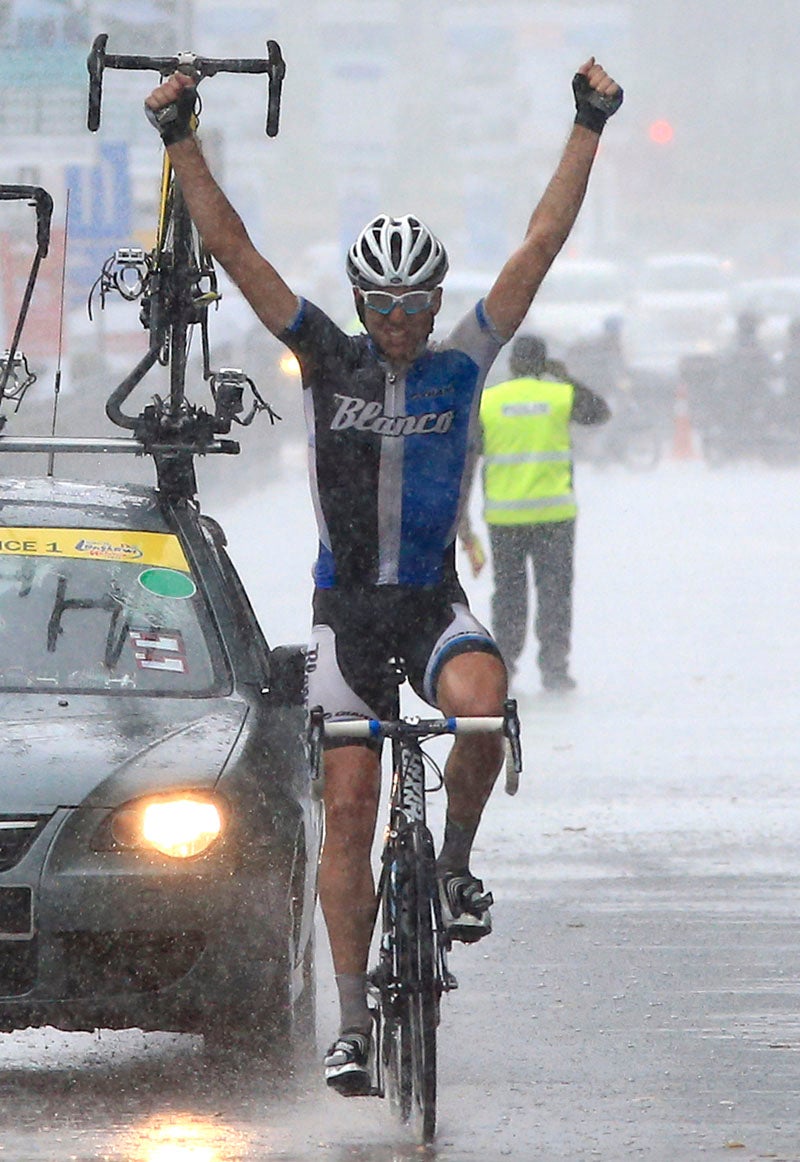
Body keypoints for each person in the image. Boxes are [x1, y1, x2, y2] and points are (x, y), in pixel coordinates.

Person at [144, 56, 622, 1095]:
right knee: (352, 811)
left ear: (435, 302)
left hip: (432, 601)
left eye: (415, 304)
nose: (401, 321)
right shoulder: (327, 358)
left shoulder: (463, 362)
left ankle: (452, 866)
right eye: (384, 304)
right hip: (347, 618)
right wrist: (181, 137)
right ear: (361, 303)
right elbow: (237, 252)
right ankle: (353, 1022)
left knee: (484, 705)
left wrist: (588, 121)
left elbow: (539, 246)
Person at [460, 335, 610, 692]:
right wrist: (565, 377)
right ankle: (555, 669)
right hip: (554, 517)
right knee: (555, 593)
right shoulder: (559, 396)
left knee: (509, 595)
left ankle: (506, 666)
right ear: (544, 364)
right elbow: (600, 413)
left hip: (505, 520)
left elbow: (467, 461)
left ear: (512, 364)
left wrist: (463, 523)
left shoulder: (489, 401)